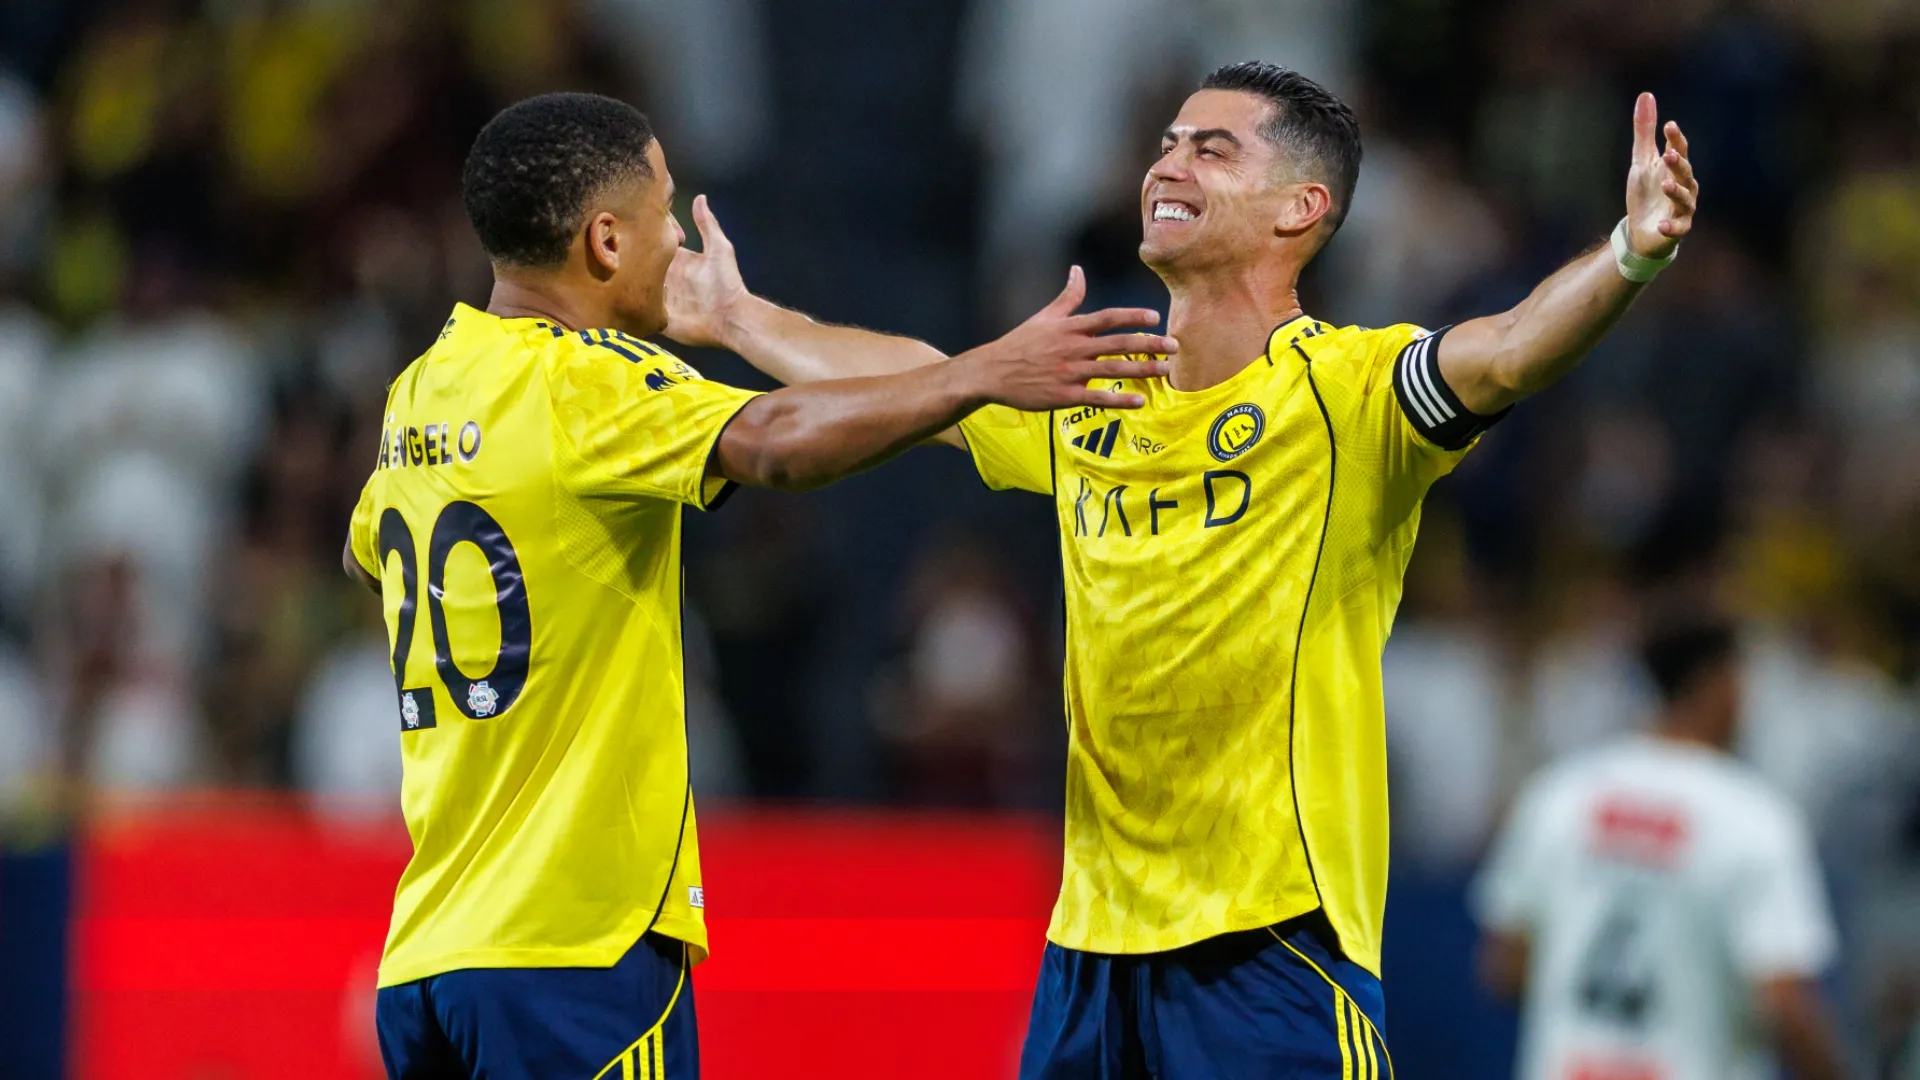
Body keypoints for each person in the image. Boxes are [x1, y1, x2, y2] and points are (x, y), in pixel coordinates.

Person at [665, 61, 1700, 1077]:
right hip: (1092, 947)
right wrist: (740, 319)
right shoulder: (1094, 393)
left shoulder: (1345, 395)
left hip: (1272, 945)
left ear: (1302, 206)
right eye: (1166, 143)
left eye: (1212, 148)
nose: (1169, 164)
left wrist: (1629, 255)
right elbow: (919, 382)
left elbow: (1510, 350)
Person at [341, 91, 1173, 1080]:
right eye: (664, 211)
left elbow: (366, 551)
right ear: (604, 242)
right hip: (571, 945)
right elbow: (772, 445)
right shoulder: (583, 380)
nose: (675, 240)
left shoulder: (423, 388)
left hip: (430, 949)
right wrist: (977, 374)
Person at [1474, 618, 1849, 1080]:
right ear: (1718, 683)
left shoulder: (1561, 793)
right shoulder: (1754, 817)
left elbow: (1505, 966)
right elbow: (1785, 1003)